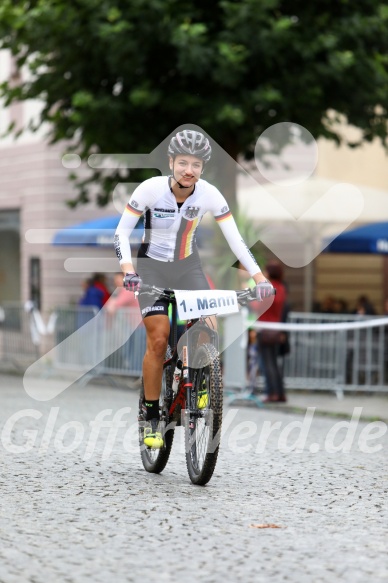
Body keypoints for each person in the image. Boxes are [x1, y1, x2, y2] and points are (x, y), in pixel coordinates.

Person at [114, 129, 274, 448]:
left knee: (207, 326)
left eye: (196, 165)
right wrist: (128, 271)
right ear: (171, 162)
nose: (189, 170)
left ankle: (200, 384)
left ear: (202, 168)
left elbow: (237, 242)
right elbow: (120, 235)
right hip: (151, 269)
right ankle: (151, 415)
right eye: (183, 162)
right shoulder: (150, 190)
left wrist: (259, 277)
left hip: (188, 267)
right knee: (159, 339)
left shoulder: (210, 195)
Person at [256, 260, 288, 403]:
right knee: (274, 363)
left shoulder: (267, 288)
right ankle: (280, 392)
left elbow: (257, 306)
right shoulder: (281, 288)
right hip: (276, 327)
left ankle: (272, 392)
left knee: (266, 363)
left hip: (265, 328)